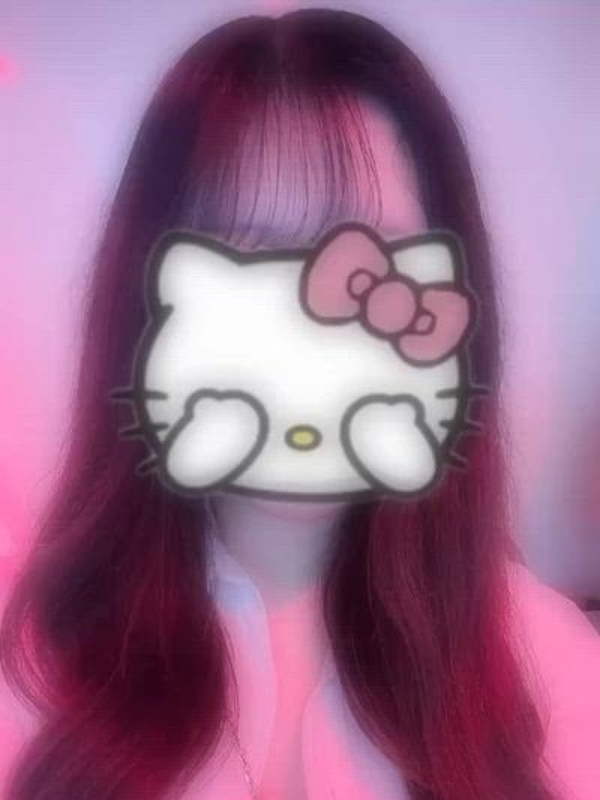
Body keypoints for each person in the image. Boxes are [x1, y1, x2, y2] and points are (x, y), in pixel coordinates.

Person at [1, 9, 599, 800]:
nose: (311, 338)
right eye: (249, 249)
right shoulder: (31, 655)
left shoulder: (547, 661)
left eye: (367, 265)